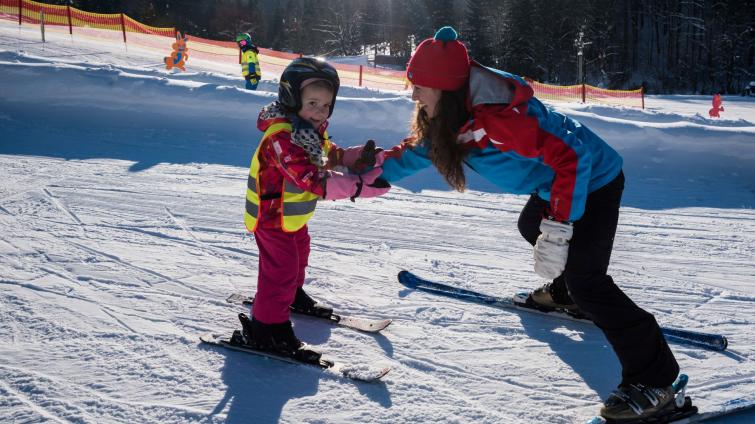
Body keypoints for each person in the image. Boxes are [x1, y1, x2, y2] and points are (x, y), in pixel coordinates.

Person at [377, 27, 680, 422]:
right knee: (530, 229)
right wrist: (359, 170)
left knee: (588, 280)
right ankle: (564, 292)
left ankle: (656, 381)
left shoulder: (500, 119)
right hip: (553, 183)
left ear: (445, 89)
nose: (413, 95)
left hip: (595, 179)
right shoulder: (451, 120)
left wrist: (559, 223)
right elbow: (411, 156)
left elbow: (572, 158)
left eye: (420, 86)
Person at [236, 57, 390, 359]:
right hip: (271, 217)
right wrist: (358, 187)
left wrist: (356, 158)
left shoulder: (307, 130)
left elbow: (327, 155)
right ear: (292, 99)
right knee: (280, 269)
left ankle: (290, 295)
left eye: (326, 105)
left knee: (299, 255)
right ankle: (267, 328)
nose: (320, 112)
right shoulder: (282, 138)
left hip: (291, 218)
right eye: (313, 103)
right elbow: (310, 178)